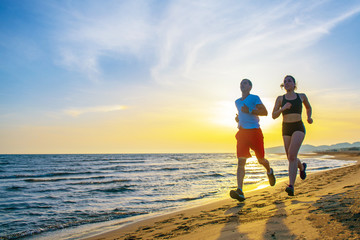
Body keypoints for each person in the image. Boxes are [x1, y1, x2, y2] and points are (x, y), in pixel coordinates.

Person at [230, 79, 276, 202]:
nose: (242, 85)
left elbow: (265, 112)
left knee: (261, 160)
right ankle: (240, 191)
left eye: (245, 83)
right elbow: (242, 114)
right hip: (242, 133)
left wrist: (249, 111)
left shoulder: (255, 98)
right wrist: (239, 119)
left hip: (255, 132)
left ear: (250, 87)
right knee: (241, 161)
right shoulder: (237, 102)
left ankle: (269, 171)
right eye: (241, 83)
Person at [272, 75, 313, 196]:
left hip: (298, 127)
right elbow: (274, 115)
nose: (287, 83)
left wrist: (309, 117)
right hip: (286, 128)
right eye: (285, 81)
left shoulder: (301, 96)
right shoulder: (280, 99)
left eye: (289, 81)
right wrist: (283, 108)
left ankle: (291, 186)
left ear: (294, 84)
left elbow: (308, 107)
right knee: (291, 157)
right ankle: (301, 167)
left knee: (292, 155)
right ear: (283, 85)